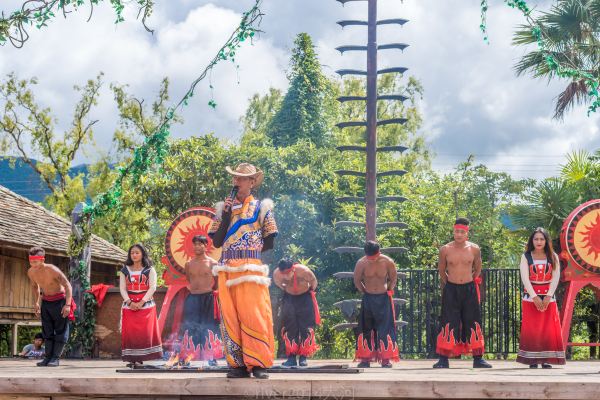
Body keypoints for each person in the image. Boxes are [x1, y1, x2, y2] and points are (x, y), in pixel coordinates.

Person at [209, 163, 278, 379]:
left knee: (254, 314)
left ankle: (258, 363)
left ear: (252, 182)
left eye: (241, 178)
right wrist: (227, 215)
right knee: (230, 317)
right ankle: (236, 364)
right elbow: (217, 241)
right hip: (227, 268)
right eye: (235, 178)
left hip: (250, 268)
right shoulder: (223, 209)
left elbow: (270, 240)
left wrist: (248, 252)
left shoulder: (262, 207)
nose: (237, 182)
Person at [433, 218, 491, 368]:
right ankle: (443, 358)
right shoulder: (445, 249)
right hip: (451, 288)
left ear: (467, 233)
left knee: (473, 320)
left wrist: (471, 280)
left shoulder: (474, 249)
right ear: (453, 231)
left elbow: (478, 267)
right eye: (456, 231)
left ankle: (478, 358)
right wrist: (450, 283)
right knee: (448, 320)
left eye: (461, 232)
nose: (458, 234)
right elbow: (441, 269)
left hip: (469, 288)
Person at [517, 227, 565, 368]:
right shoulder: (526, 256)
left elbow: (556, 277)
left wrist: (548, 296)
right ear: (532, 241)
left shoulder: (553, 256)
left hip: (549, 297)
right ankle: (532, 360)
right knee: (532, 328)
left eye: (541, 239)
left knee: (547, 328)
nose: (539, 241)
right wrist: (535, 297)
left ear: (546, 241)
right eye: (536, 239)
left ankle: (545, 360)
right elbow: (525, 278)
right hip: (530, 297)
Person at [353, 241, 399, 368]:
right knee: (366, 327)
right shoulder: (361, 263)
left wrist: (389, 289)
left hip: (383, 297)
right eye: (369, 258)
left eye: (374, 257)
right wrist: (365, 291)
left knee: (385, 328)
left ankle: (385, 359)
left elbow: (393, 277)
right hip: (368, 298)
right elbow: (356, 280)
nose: (372, 260)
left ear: (379, 252)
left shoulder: (388, 261)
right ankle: (365, 359)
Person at [26, 247, 74, 367]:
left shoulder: (52, 270)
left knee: (60, 330)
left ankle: (55, 358)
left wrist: (67, 304)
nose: (33, 264)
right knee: (47, 331)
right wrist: (36, 302)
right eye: (31, 261)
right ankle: (47, 358)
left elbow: (68, 285)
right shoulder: (31, 272)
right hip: (46, 302)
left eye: (35, 262)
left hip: (60, 301)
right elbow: (35, 287)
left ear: (42, 260)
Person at [180, 235, 223, 365]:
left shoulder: (213, 263)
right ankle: (187, 357)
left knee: (209, 327)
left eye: (200, 244)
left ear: (206, 246)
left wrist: (209, 293)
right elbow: (189, 279)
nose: (197, 246)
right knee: (189, 327)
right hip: (192, 298)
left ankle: (211, 358)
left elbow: (217, 283)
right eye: (195, 244)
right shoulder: (188, 264)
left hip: (208, 298)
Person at [120, 243, 163, 364]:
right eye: (132, 253)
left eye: (137, 252)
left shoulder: (150, 269)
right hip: (129, 305)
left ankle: (142, 358)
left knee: (144, 332)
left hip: (146, 305)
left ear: (143, 254)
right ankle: (132, 359)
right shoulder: (124, 270)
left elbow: (153, 287)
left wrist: (141, 302)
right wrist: (129, 302)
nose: (134, 255)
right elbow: (122, 288)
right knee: (131, 332)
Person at [273, 259, 320, 367]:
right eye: (282, 274)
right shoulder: (277, 274)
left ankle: (303, 357)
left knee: (306, 327)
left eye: (287, 273)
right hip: (289, 299)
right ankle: (291, 357)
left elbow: (314, 282)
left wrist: (308, 292)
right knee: (289, 327)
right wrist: (288, 289)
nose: (284, 276)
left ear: (293, 269)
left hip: (304, 298)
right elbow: (279, 284)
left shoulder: (304, 271)